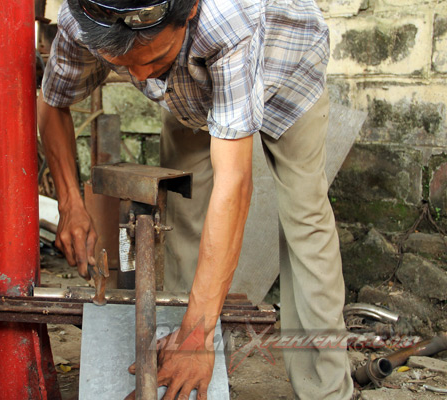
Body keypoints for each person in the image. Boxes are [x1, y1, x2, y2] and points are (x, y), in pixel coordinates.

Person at [38, 0, 354, 398]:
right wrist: (70, 203)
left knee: (304, 222)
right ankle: (180, 362)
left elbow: (235, 184)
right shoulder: (81, 19)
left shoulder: (229, 18)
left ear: (187, 13)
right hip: (190, 90)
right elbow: (54, 101)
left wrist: (200, 332)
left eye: (152, 59)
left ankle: (325, 388)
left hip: (285, 72)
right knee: (182, 213)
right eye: (122, 63)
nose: (139, 76)